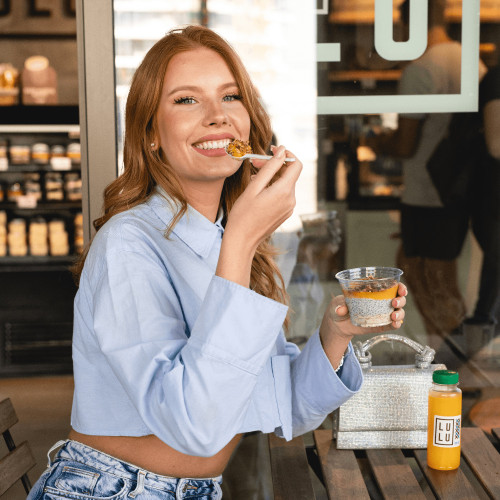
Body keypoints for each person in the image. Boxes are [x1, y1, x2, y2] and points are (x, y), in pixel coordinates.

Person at [27, 25, 407, 500]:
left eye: (230, 97)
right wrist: (243, 240)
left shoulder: (223, 237)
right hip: (114, 489)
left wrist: (335, 333)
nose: (216, 117)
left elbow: (278, 402)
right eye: (187, 100)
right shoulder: (128, 244)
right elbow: (196, 426)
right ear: (150, 133)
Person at [366, 0, 486, 341]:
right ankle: (453, 365)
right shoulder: (471, 62)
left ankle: (455, 368)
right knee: (440, 284)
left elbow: (405, 146)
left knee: (428, 283)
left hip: (425, 194)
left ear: (409, 22)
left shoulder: (420, 70)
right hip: (458, 193)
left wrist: (380, 143)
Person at [462, 63, 500, 351]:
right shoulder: (497, 78)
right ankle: (476, 372)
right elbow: (496, 143)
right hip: (494, 202)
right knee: (492, 296)